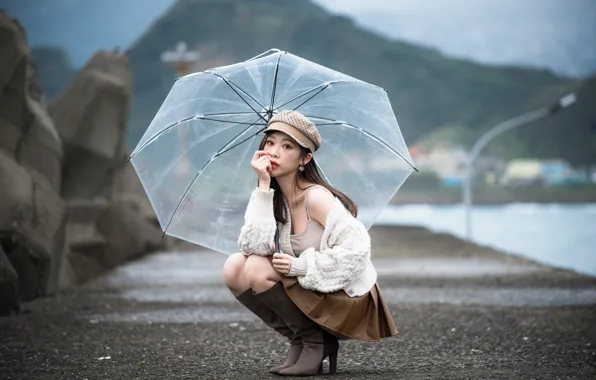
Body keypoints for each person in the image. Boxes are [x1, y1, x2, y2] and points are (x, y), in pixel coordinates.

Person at [222, 110, 397, 376]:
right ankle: (300, 339)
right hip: (313, 293)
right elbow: (252, 246)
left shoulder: (316, 197)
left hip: (346, 295)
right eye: (270, 143)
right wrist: (262, 186)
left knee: (257, 268)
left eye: (287, 146)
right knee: (235, 266)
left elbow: (358, 251)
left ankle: (316, 342)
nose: (274, 152)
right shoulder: (271, 195)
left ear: (305, 158)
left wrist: (300, 266)